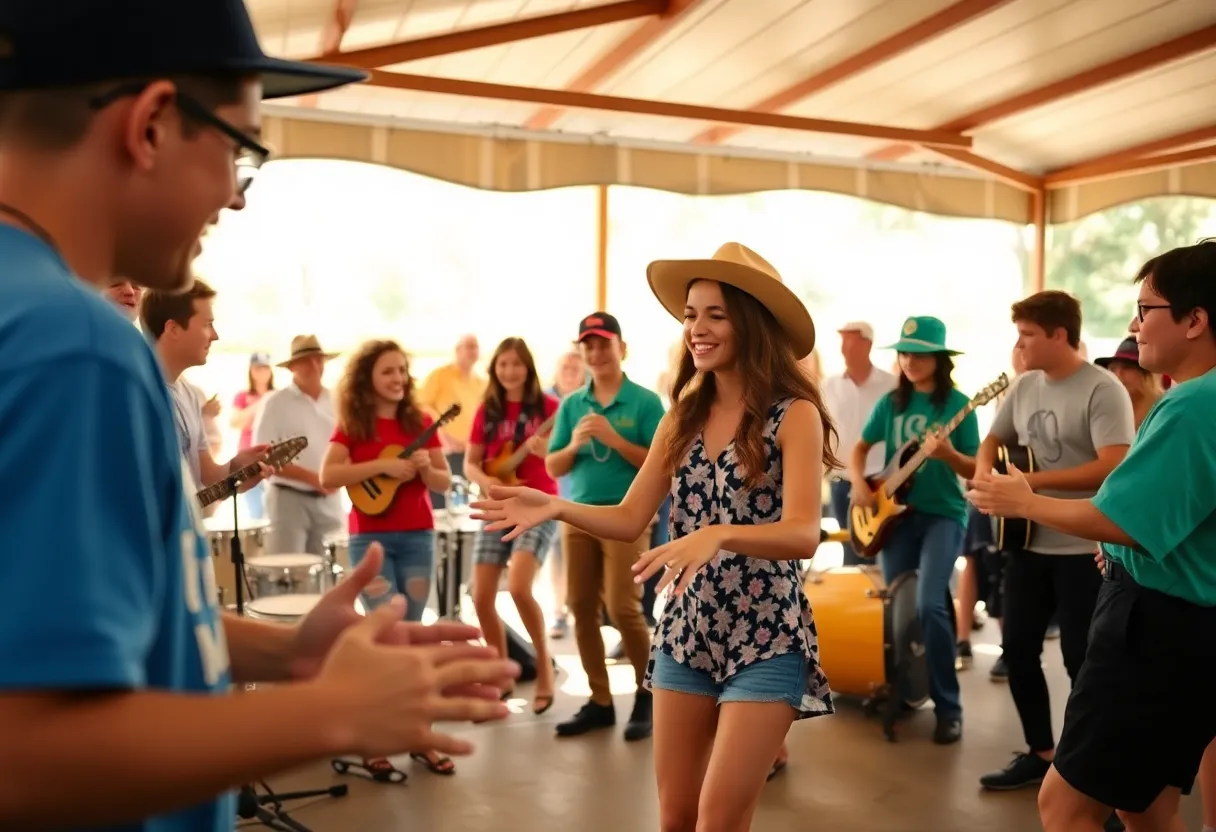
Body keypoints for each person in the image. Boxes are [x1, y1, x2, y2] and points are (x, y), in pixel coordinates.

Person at [0, 4, 517, 829]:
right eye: (240, 151)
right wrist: (330, 714)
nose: (235, 198)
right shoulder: (76, 346)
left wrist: (286, 653)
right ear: (153, 125)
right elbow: (23, 757)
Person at [473, 242, 837, 831]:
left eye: (715, 314)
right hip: (687, 632)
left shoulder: (792, 413)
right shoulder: (682, 416)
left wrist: (718, 534)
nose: (697, 327)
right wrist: (555, 506)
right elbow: (629, 517)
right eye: (691, 314)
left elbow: (802, 533)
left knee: (718, 818)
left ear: (751, 321)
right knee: (675, 817)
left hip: (767, 634)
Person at [967, 240, 1216, 832]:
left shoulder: (1190, 407)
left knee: (1066, 806)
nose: (1134, 325)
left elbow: (1122, 518)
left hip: (1155, 625)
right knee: (1143, 804)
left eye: (1146, 308)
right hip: (1184, 623)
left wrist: (1029, 498)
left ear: (1195, 319)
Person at [972, 291, 1133, 792]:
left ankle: (1089, 773)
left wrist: (1031, 486)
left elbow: (1113, 463)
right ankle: (1042, 754)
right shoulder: (1023, 388)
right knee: (1018, 649)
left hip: (1084, 549)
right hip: (1026, 546)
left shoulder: (1102, 390)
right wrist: (983, 477)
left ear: (1059, 335)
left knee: (1081, 661)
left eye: (1028, 335)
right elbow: (992, 440)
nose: (1019, 346)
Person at [319, 339, 458, 779]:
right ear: (368, 380)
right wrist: (382, 468)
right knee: (383, 639)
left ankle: (419, 737)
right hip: (370, 543)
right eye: (387, 372)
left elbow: (445, 480)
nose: (398, 379)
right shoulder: (354, 424)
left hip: (418, 537)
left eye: (401, 370)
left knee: (413, 638)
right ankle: (373, 741)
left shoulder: (420, 421)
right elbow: (329, 476)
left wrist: (422, 469)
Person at [849, 315, 980, 745]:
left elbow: (975, 467)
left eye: (919, 354)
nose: (909, 361)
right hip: (893, 518)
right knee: (897, 611)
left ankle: (950, 708)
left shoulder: (959, 406)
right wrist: (858, 485)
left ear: (939, 359)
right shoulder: (891, 404)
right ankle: (904, 692)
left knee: (929, 606)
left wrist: (946, 455)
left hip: (943, 514)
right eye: (904, 353)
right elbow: (860, 448)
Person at [536, 311, 664, 742]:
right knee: (580, 606)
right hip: (579, 514)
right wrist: (574, 444)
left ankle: (648, 696)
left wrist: (613, 439)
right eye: (587, 345)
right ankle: (600, 701)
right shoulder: (573, 403)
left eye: (603, 343)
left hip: (627, 516)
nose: (595, 352)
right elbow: (553, 464)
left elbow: (658, 464)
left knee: (625, 607)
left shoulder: (646, 402)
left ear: (621, 348)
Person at [464, 337, 560, 715]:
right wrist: (485, 482)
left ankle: (544, 671)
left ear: (529, 368)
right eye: (502, 364)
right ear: (494, 368)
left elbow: (563, 461)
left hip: (537, 505)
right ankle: (500, 675)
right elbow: (472, 463)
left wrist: (547, 450)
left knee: (520, 587)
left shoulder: (551, 408)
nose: (509, 371)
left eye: (516, 364)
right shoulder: (487, 410)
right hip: (495, 503)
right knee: (481, 596)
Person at [255, 335, 345, 555]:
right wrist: (314, 479)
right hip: (288, 501)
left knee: (333, 568)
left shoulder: (338, 401)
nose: (315, 365)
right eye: (307, 360)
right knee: (289, 571)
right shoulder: (275, 403)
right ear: (292, 367)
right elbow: (264, 457)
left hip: (330, 499)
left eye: (318, 359)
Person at [821, 321, 896, 565]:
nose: (844, 346)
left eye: (851, 338)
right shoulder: (827, 387)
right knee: (851, 552)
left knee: (885, 552)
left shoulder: (892, 386)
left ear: (868, 344)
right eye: (842, 338)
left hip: (883, 484)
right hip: (842, 482)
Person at [229, 351, 274, 519]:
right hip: (249, 461)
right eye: (257, 368)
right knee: (256, 513)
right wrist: (260, 403)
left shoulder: (277, 395)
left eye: (265, 368)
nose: (261, 372)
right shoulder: (242, 396)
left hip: (273, 459)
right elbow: (235, 422)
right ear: (251, 371)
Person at [1095, 336, 1163, 429]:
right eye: (1113, 369)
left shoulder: (1164, 410)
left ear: (1147, 375)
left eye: (1127, 368)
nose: (1118, 375)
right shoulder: (1106, 409)